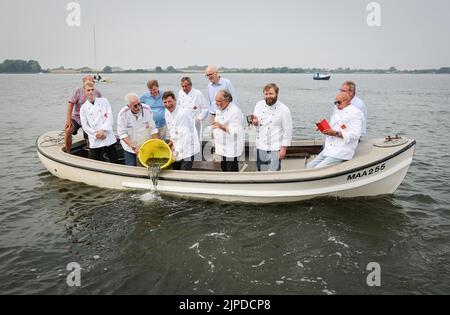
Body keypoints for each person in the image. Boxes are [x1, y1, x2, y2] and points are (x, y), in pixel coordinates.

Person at [307, 92, 364, 169]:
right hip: (329, 149)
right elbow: (334, 127)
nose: (337, 105)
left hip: (341, 150)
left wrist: (335, 133)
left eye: (339, 102)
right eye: (335, 102)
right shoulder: (338, 111)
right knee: (309, 166)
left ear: (347, 101)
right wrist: (324, 129)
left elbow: (355, 135)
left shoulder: (355, 113)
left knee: (317, 169)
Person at [252, 83, 293, 172]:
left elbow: (288, 130)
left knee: (273, 174)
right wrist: (255, 122)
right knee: (260, 172)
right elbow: (256, 122)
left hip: (275, 147)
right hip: (260, 145)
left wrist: (283, 148)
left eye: (271, 94)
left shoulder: (284, 109)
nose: (268, 96)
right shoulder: (259, 105)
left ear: (277, 94)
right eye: (266, 94)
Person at [117, 93, 160, 166]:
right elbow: (122, 134)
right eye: (135, 106)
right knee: (131, 167)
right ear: (128, 106)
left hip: (145, 145)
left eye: (139, 104)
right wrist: (134, 147)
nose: (138, 107)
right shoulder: (122, 114)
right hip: (129, 147)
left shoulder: (147, 109)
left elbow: (153, 129)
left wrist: (156, 144)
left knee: (145, 167)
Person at [80, 82, 118, 163]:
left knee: (114, 161)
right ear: (84, 92)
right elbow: (84, 125)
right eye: (88, 90)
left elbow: (110, 117)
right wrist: (96, 134)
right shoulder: (83, 108)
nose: (91, 92)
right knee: (96, 163)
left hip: (107, 136)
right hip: (95, 139)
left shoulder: (104, 101)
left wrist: (103, 130)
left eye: (92, 89)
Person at [163, 91, 200, 171]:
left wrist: (176, 151)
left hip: (188, 147)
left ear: (175, 100)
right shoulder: (166, 112)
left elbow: (184, 136)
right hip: (178, 145)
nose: (168, 104)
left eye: (169, 101)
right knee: (175, 170)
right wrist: (171, 142)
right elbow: (172, 129)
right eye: (165, 102)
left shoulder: (182, 114)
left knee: (184, 173)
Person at [64, 75, 102, 153]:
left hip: (90, 120)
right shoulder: (78, 91)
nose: (89, 84)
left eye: (91, 82)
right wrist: (68, 121)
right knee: (68, 130)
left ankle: (93, 154)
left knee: (92, 140)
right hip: (77, 118)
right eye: (87, 82)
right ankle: (68, 152)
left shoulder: (97, 93)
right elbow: (70, 105)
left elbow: (101, 108)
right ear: (83, 83)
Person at [212, 90, 245, 172]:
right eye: (216, 100)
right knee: (224, 170)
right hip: (222, 148)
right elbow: (217, 125)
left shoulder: (235, 111)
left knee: (231, 172)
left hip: (231, 149)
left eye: (219, 101)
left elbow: (235, 131)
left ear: (227, 100)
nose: (216, 103)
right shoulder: (219, 110)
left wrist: (221, 126)